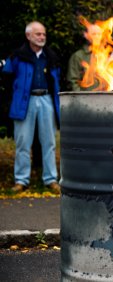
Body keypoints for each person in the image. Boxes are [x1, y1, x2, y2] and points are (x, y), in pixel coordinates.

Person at [1, 21, 60, 192]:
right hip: (24, 102)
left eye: (43, 34)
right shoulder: (17, 56)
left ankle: (50, 179)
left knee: (49, 143)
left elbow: (56, 82)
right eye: (38, 34)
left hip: (47, 100)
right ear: (28, 36)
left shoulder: (51, 56)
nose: (42, 37)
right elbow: (6, 75)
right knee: (23, 143)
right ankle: (21, 180)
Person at [67, 21, 103, 91]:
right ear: (86, 35)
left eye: (99, 34)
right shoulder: (78, 56)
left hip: (105, 98)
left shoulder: (105, 55)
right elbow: (73, 81)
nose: (97, 37)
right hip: (87, 99)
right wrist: (81, 98)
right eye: (94, 34)